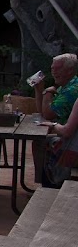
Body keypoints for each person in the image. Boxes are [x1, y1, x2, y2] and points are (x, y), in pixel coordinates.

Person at [36, 53, 78, 186]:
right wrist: (39, 90)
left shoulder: (72, 90)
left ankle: (51, 185)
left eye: (57, 68)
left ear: (70, 70)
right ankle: (44, 183)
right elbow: (43, 112)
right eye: (52, 68)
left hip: (73, 145)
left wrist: (47, 92)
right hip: (73, 140)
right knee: (41, 141)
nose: (53, 72)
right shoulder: (66, 86)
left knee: (43, 142)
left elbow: (48, 115)